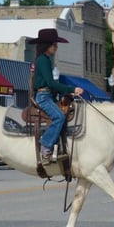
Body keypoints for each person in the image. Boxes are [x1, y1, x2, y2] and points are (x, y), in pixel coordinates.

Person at [29, 28, 83, 164]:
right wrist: (72, 88)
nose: (56, 47)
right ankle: (46, 146)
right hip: (43, 96)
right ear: (47, 45)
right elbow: (50, 82)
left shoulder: (45, 59)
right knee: (59, 117)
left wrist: (66, 92)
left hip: (48, 95)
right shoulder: (43, 60)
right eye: (54, 44)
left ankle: (60, 147)